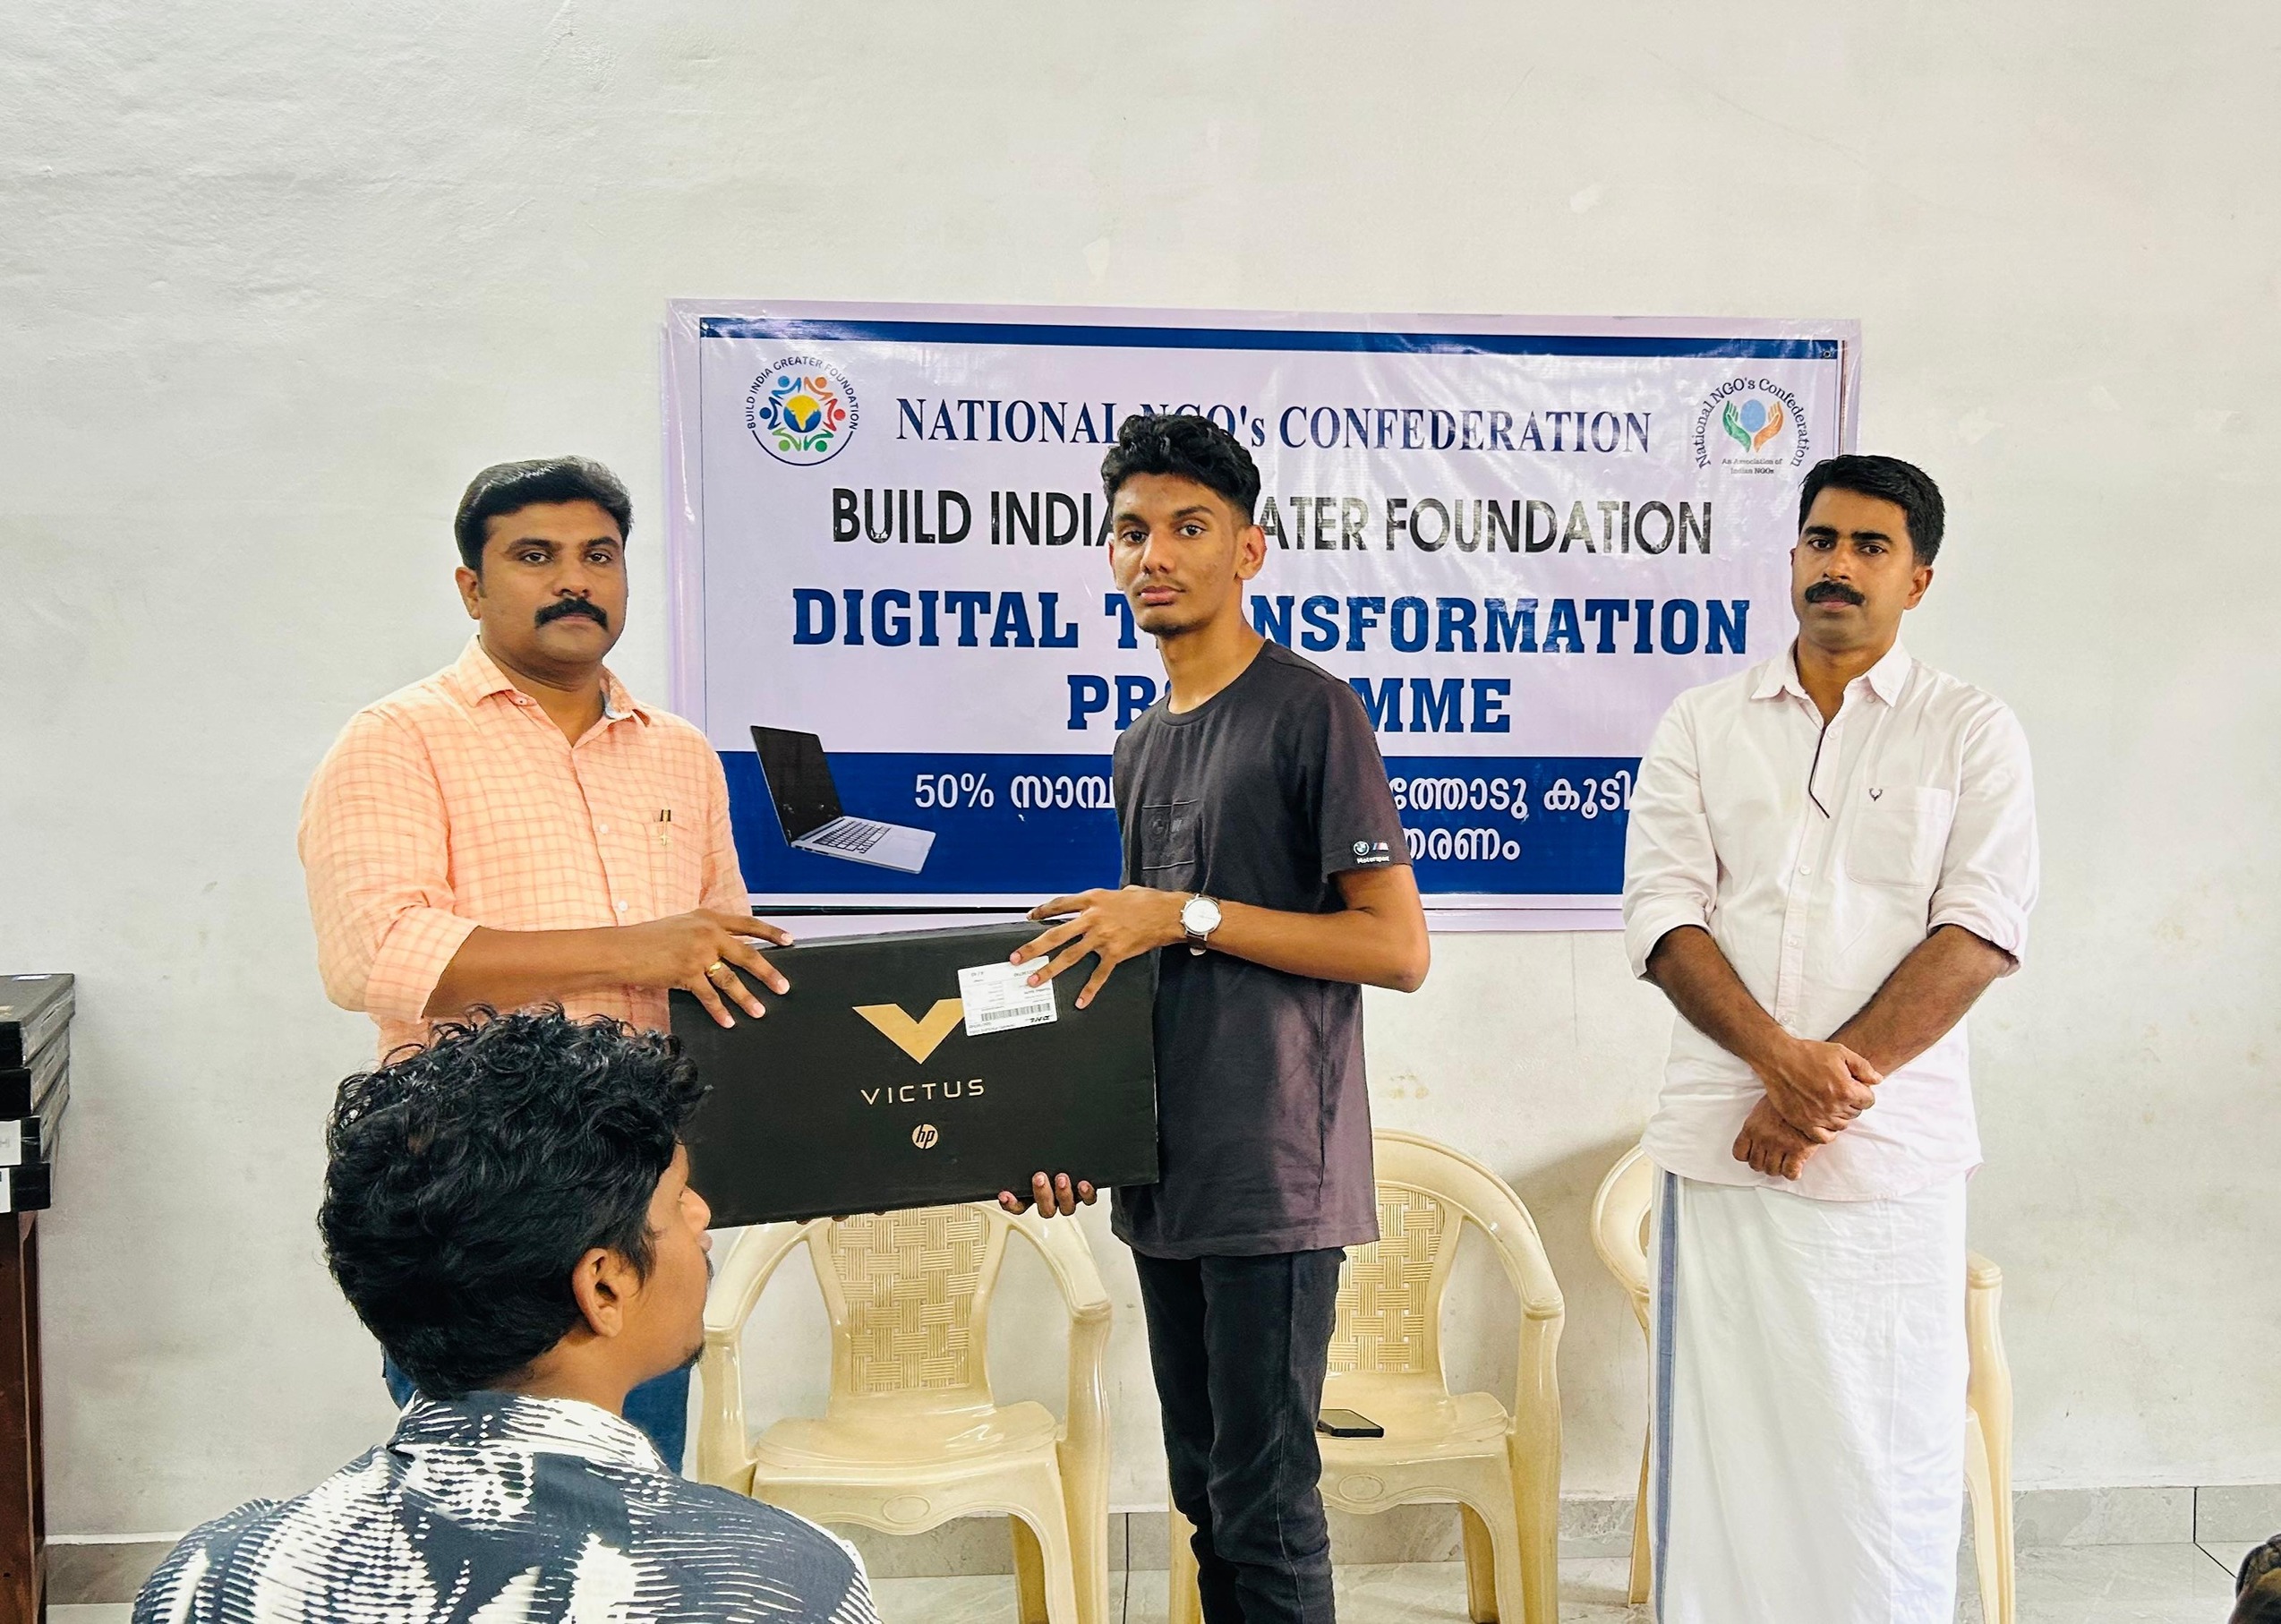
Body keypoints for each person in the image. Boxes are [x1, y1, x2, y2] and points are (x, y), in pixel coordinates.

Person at [1006, 413, 1431, 1624]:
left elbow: (1395, 947)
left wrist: (1183, 912)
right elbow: (1141, 965)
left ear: (1249, 549)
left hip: (1275, 1172)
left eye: (1189, 527)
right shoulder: (1141, 741)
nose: (1155, 554)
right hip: (1166, 1175)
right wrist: (1067, 1130)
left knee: (1266, 1508)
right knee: (1203, 1496)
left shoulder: (1312, 710)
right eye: (1131, 530)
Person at [297, 457, 791, 1466]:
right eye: (535, 556)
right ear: (471, 588)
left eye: (598, 556)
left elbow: (720, 961)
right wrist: (641, 947)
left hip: (642, 1195)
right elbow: (375, 956)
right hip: (476, 1197)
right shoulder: (399, 739)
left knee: (633, 1490)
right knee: (485, 1506)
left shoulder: (680, 753)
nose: (575, 580)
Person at [1622, 453, 2039, 1624]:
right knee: (1724, 1469)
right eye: (1819, 540)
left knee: (1880, 1460)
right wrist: (1777, 1062)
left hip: (1888, 1163)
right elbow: (1662, 915)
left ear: (1919, 578)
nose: (1836, 566)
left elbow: (1979, 933)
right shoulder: (1704, 721)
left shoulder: (1970, 729)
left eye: (1868, 546)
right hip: (1725, 1154)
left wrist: (1813, 1094)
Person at [134, 1009, 879, 1624]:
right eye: (677, 1199)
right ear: (603, 1289)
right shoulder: (785, 1582)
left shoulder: (208, 1577)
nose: (702, 1217)